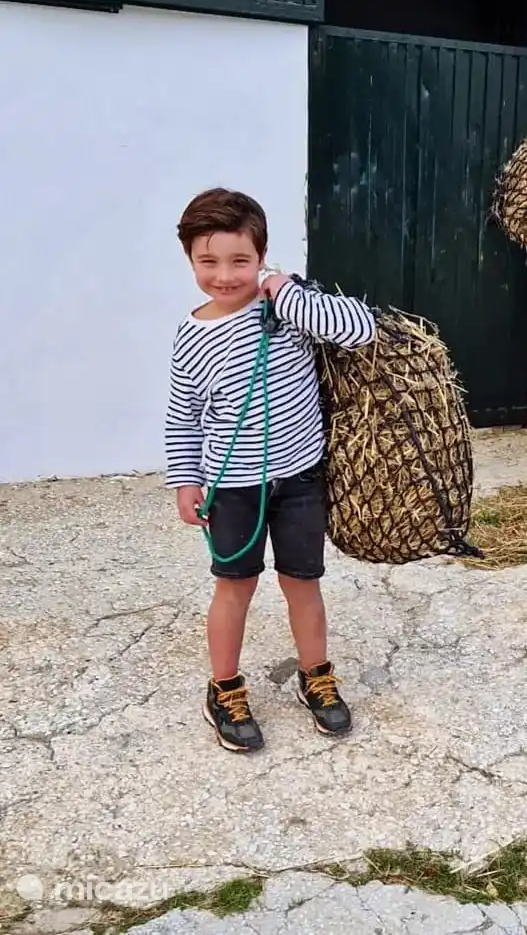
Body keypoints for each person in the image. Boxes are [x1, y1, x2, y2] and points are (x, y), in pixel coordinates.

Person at [166, 188, 376, 752]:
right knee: (234, 586)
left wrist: (286, 292)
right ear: (189, 259)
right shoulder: (192, 336)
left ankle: (317, 678)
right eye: (208, 261)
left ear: (262, 257)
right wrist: (186, 481)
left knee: (301, 583)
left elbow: (358, 328)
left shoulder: (287, 309)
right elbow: (184, 418)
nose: (225, 275)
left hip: (300, 480)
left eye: (240, 260)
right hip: (232, 488)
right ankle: (226, 688)